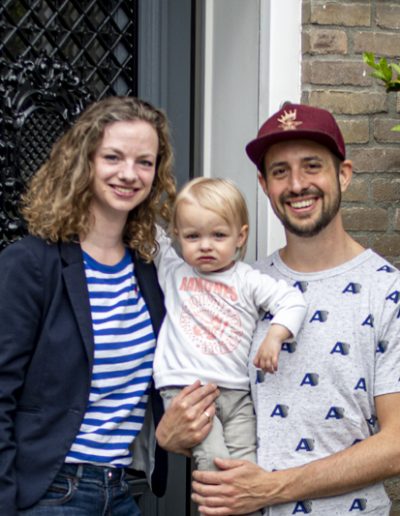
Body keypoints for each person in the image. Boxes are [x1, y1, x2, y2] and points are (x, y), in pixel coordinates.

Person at [162, 103, 400, 515]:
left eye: (312, 166)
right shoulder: (240, 284)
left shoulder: (387, 291)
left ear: (343, 173)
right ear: (264, 184)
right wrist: (171, 436)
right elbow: (220, 410)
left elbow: (397, 445)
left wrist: (272, 489)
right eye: (279, 172)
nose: (296, 184)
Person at [0, 96, 177, 515]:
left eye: (145, 162)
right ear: (84, 162)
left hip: (122, 494)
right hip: (48, 492)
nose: (129, 174)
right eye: (113, 157)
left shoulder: (153, 272)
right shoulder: (30, 264)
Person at [152, 177, 306, 484]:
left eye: (219, 235)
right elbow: (150, 233)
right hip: (188, 390)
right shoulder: (174, 271)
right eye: (193, 236)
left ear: (240, 236)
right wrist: (158, 192)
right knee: (215, 465)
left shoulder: (247, 279)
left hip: (237, 395)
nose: (206, 245)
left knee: (246, 468)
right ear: (179, 236)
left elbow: (292, 301)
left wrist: (275, 336)